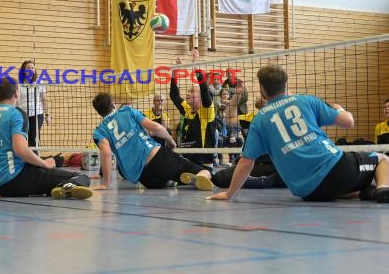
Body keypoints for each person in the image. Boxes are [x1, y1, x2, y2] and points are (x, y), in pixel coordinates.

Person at [209, 64, 389, 203]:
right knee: (383, 159)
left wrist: (229, 194)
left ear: (263, 89)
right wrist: (339, 108)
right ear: (286, 85)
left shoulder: (259, 120)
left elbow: (246, 162)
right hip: (336, 168)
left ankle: (363, 192)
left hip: (308, 191)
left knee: (333, 185)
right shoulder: (306, 101)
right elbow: (349, 122)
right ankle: (383, 189)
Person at [0, 77, 91, 199]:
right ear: (17, 93)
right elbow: (20, 150)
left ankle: (53, 187)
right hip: (18, 179)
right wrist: (44, 163)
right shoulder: (15, 114)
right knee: (82, 177)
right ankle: (63, 187)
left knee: (47, 166)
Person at [91, 92, 214, 190]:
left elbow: (106, 154)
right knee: (205, 171)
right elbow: (156, 127)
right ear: (113, 104)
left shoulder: (99, 131)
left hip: (145, 178)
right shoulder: (127, 111)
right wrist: (170, 141)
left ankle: (170, 181)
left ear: (99, 112)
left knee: (166, 179)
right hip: (158, 158)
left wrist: (106, 184)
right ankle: (200, 176)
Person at [170, 50, 217, 166]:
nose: (188, 94)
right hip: (187, 161)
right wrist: (174, 72)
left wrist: (195, 65)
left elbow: (204, 89)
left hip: (203, 163)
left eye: (192, 91)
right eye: (188, 91)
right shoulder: (187, 109)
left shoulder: (206, 111)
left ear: (201, 97)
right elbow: (174, 95)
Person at [18, 60, 50, 150]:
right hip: (22, 115)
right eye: (28, 67)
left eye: (32, 68)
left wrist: (47, 115)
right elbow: (16, 100)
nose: (30, 69)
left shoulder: (39, 82)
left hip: (37, 114)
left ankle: (35, 160)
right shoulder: (19, 84)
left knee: (34, 139)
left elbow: (44, 99)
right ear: (23, 70)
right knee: (22, 138)